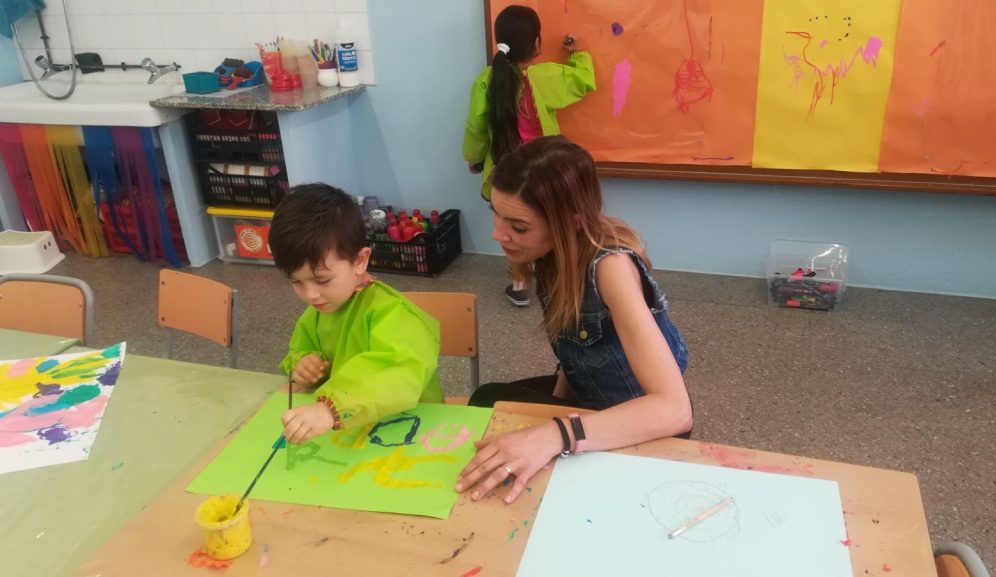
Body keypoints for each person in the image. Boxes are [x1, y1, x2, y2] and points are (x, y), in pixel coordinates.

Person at [455, 136, 692, 504]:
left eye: (519, 226)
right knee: (488, 400)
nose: (497, 233)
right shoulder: (555, 252)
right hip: (590, 396)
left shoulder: (611, 268)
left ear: (570, 223)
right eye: (495, 214)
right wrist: (555, 403)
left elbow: (675, 411)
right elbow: (577, 347)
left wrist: (554, 433)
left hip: (639, 420)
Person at [268, 183, 443, 445]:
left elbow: (398, 373)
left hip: (410, 429)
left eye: (322, 280)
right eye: (296, 281)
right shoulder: (320, 310)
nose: (310, 295)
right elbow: (301, 347)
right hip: (351, 428)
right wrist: (303, 364)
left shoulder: (393, 314)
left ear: (360, 261)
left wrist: (331, 408)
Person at [463, 4, 596, 308]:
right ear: (537, 43)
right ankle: (562, 279)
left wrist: (473, 158)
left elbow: (475, 129)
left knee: (512, 228)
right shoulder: (546, 76)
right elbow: (584, 80)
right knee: (552, 222)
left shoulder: (486, 80)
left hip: (506, 174)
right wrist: (578, 52)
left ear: (499, 41)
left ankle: (519, 284)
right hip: (545, 173)